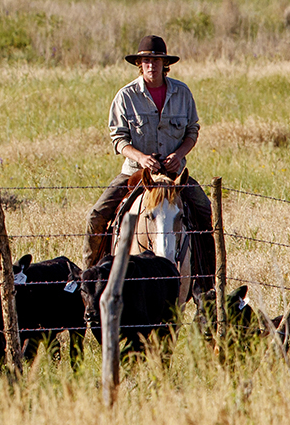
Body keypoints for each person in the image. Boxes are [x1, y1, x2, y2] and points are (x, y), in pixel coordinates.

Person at [85, 34, 214, 272]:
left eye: (156, 61)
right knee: (97, 215)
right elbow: (118, 139)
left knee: (206, 211)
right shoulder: (126, 96)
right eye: (146, 61)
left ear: (166, 64)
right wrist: (140, 158)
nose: (151, 66)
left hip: (174, 177)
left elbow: (192, 131)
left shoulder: (182, 93)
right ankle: (90, 278)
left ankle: (206, 284)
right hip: (135, 174)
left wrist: (178, 155)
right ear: (139, 64)